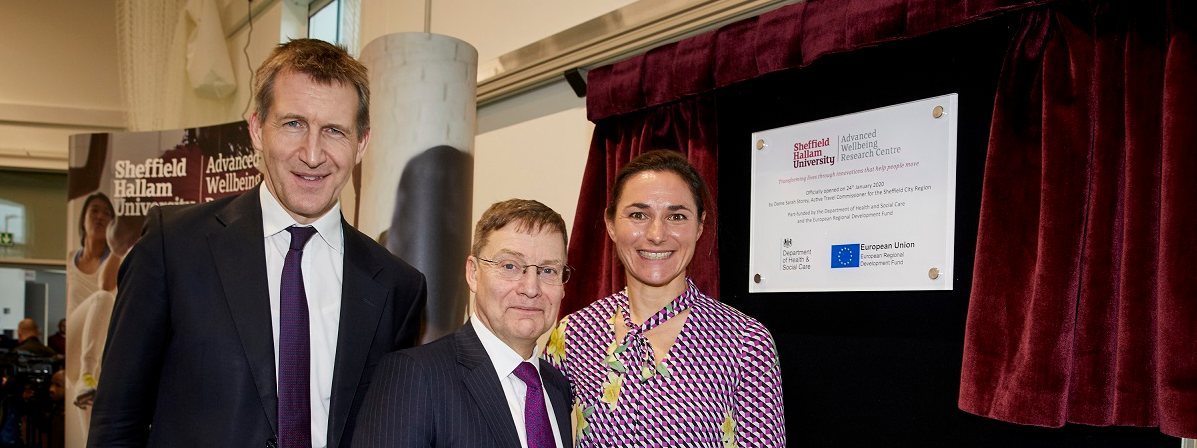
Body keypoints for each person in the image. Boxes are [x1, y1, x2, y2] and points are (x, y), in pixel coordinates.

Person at [87, 39, 427, 448]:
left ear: (361, 144)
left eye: (334, 131)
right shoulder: (173, 247)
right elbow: (117, 422)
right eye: (293, 124)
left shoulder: (397, 286)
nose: (313, 154)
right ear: (257, 130)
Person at [545, 150, 786, 447]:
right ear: (611, 224)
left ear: (699, 226)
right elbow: (536, 432)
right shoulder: (573, 334)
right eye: (638, 215)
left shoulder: (746, 342)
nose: (657, 234)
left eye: (676, 216)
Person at [353, 199, 573, 448]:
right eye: (510, 266)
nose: (531, 288)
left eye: (548, 270)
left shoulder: (557, 388)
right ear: (473, 273)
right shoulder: (415, 376)